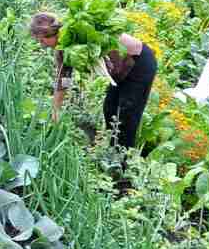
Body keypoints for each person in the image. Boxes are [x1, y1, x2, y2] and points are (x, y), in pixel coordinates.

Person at [29, 12, 158, 151]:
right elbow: (64, 79)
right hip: (122, 71)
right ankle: (114, 151)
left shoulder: (78, 33)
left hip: (139, 63)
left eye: (42, 40)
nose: (42, 45)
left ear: (51, 33)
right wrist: (56, 109)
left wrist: (56, 109)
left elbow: (63, 79)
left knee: (126, 115)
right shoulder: (64, 48)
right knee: (109, 109)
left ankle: (123, 162)